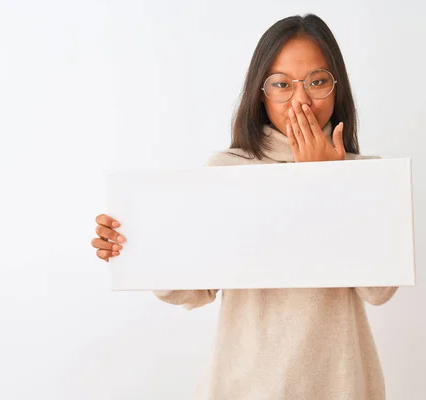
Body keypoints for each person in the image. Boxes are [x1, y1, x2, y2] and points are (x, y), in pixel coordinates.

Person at [91, 13, 398, 400]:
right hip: (245, 385)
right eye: (282, 84)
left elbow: (380, 289)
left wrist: (328, 180)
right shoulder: (227, 171)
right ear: (261, 92)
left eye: (317, 81)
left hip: (340, 385)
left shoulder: (367, 175)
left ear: (337, 88)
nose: (300, 99)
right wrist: (132, 244)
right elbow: (191, 291)